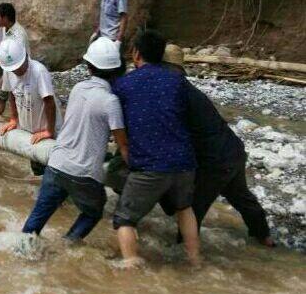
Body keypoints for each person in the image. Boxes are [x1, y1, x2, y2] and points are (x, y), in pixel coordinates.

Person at [162, 44, 273, 247]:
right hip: (233, 151)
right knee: (241, 198)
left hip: (215, 161)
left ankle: (182, 257)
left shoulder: (174, 91)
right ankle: (265, 238)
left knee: (193, 208)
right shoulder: (186, 89)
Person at [21, 37, 128, 242]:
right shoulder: (111, 102)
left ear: (88, 67)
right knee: (93, 211)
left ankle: (20, 250)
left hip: (56, 164)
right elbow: (122, 144)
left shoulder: (78, 88)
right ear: (117, 71)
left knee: (36, 219)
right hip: (84, 174)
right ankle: (67, 245)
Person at [112, 29, 200, 268]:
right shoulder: (178, 81)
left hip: (149, 166)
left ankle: (131, 267)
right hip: (184, 162)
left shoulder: (124, 84)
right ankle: (195, 261)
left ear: (136, 54)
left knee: (124, 219)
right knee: (184, 208)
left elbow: (116, 122)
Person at [0, 37, 62, 175]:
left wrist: (49, 131)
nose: (17, 71)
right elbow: (11, 94)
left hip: (49, 130)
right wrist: (13, 119)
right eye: (14, 69)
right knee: (38, 170)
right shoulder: (9, 71)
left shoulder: (39, 72)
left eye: (19, 67)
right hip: (31, 132)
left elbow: (49, 102)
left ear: (26, 56)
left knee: (56, 169)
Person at [0, 2, 30, 116]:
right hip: (8, 71)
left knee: (18, 101)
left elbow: (21, 58)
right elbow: (7, 48)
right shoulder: (6, 28)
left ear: (5, 18)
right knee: (1, 96)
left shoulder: (19, 35)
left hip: (19, 73)